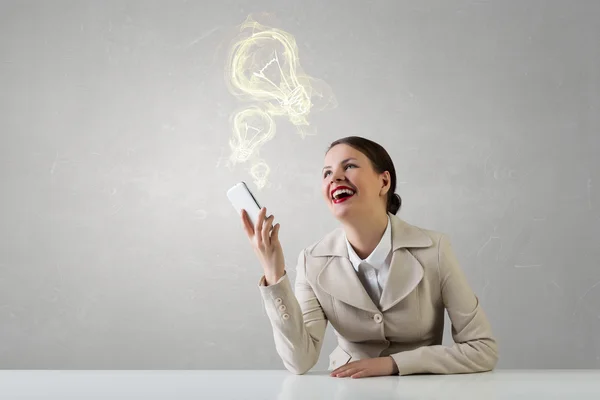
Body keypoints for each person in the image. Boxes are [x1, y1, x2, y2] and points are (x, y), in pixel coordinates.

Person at [240, 136, 498, 378]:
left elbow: (482, 349)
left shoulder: (435, 249)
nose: (335, 177)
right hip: (347, 389)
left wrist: (394, 364)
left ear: (384, 182)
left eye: (349, 166)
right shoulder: (312, 260)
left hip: (418, 389)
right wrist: (273, 272)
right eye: (327, 173)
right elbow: (300, 361)